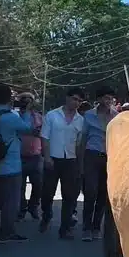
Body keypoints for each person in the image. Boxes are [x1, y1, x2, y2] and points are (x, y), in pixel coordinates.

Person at [0, 84, 33, 242]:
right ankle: (7, 232)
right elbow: (27, 128)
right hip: (10, 166)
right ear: (9, 98)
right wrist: (26, 111)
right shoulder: (11, 117)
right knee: (10, 202)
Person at [40, 87, 85, 239]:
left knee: (70, 196)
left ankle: (64, 228)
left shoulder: (80, 120)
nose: (76, 103)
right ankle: (46, 214)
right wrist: (46, 157)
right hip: (52, 158)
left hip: (70, 160)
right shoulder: (52, 116)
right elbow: (44, 138)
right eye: (74, 99)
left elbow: (79, 144)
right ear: (67, 98)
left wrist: (80, 164)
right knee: (47, 193)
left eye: (79, 100)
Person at [78, 86, 118, 242]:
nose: (109, 101)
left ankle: (96, 227)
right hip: (91, 155)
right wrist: (80, 163)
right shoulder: (88, 115)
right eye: (106, 98)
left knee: (103, 194)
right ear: (99, 99)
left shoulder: (116, 116)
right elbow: (83, 140)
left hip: (109, 156)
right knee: (90, 192)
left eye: (111, 99)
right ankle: (86, 228)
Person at [15, 92, 43, 221]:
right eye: (23, 99)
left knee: (38, 184)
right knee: (19, 186)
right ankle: (21, 209)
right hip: (18, 156)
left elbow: (42, 132)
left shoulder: (37, 116)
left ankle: (33, 206)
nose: (26, 102)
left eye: (29, 99)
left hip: (35, 155)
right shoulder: (15, 116)